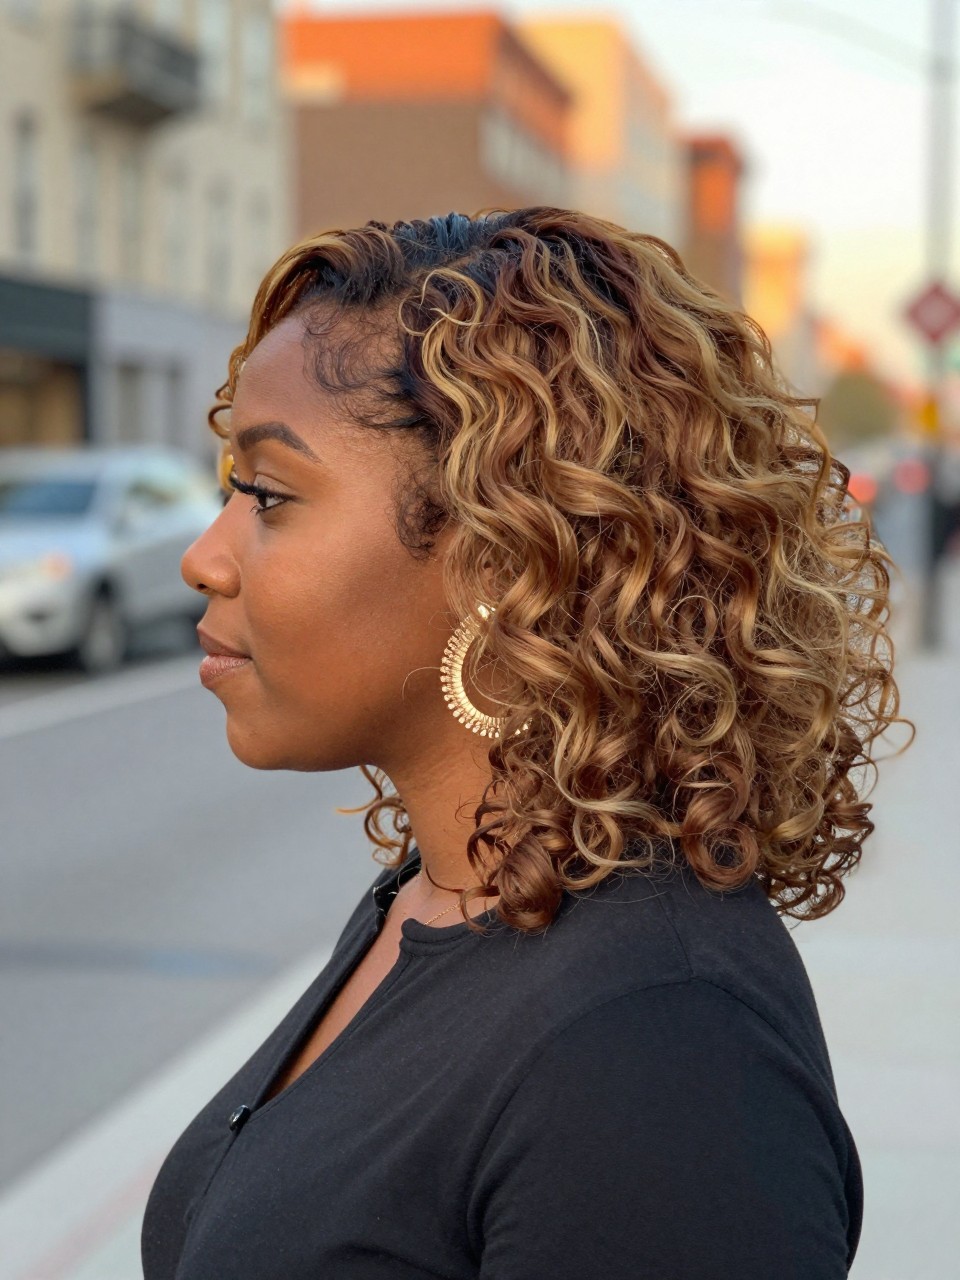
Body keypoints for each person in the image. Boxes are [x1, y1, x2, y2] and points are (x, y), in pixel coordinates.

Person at [143, 208, 910, 1278]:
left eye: (269, 495)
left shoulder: (659, 1050)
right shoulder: (433, 896)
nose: (203, 557)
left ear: (508, 561)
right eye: (230, 487)